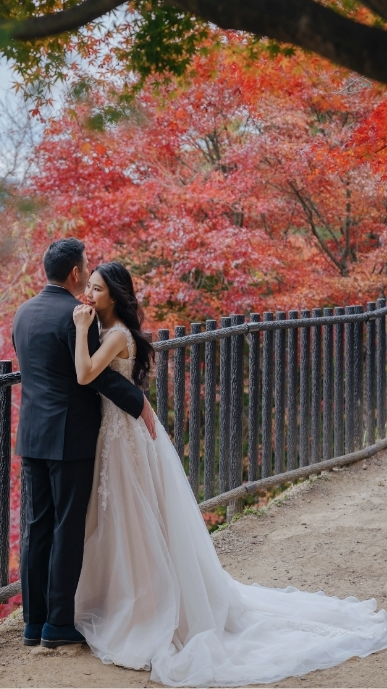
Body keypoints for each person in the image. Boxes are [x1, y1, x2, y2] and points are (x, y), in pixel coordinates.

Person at [71, 260, 387, 686]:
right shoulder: (106, 331)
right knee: (122, 519)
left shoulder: (117, 335)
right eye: (87, 286)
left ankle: (146, 607)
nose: (89, 295)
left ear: (116, 296)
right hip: (116, 434)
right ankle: (123, 599)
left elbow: (85, 373)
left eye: (97, 289)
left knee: (135, 519)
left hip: (124, 438)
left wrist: (78, 327)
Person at [9, 238, 158, 648]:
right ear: (75, 273)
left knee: (37, 529)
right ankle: (58, 624)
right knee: (67, 528)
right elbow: (97, 375)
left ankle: (33, 622)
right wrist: (138, 401)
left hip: (33, 434)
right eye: (87, 270)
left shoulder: (23, 313)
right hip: (71, 436)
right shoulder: (81, 317)